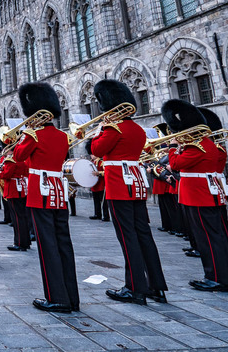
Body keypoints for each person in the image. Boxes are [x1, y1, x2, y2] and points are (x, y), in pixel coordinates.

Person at [89, 79, 167, 306]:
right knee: (144, 235)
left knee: (127, 237)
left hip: (118, 185)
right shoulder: (136, 128)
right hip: (136, 185)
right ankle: (156, 286)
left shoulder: (113, 128)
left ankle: (134, 287)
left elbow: (97, 149)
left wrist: (100, 130)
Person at [17, 82, 79, 313]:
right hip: (58, 192)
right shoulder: (62, 137)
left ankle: (56, 297)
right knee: (63, 242)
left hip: (39, 191)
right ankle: (72, 297)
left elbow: (19, 156)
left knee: (47, 245)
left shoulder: (33, 135)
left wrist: (25, 136)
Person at [163, 99, 228, 292]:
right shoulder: (205, 144)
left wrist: (172, 146)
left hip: (198, 196)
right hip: (202, 194)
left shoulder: (197, 146)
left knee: (207, 239)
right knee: (214, 236)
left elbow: (175, 164)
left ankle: (215, 277)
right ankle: (224, 275)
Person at [198, 107, 228, 280]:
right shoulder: (212, 146)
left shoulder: (211, 147)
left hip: (209, 189)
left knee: (218, 230)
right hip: (211, 189)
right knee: (220, 229)